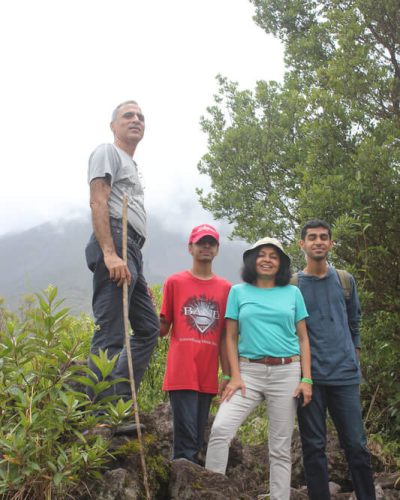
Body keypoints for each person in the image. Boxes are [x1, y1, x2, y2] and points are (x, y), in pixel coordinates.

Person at [205, 237, 312, 500]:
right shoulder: (238, 292)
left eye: (273, 256)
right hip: (248, 373)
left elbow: (303, 338)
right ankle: (212, 492)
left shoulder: (293, 293)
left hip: (286, 372)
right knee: (220, 430)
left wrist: (306, 378)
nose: (266, 259)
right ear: (253, 260)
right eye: (261, 254)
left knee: (279, 447)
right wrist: (234, 376)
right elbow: (230, 337)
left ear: (281, 264)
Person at [296, 219, 376, 500]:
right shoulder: (293, 285)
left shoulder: (345, 280)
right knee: (313, 447)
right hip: (310, 380)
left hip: (344, 377)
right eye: (312, 237)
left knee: (356, 445)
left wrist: (354, 358)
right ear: (302, 244)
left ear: (330, 243)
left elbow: (355, 322)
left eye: (324, 237)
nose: (318, 241)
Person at [85, 100, 159, 402]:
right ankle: (102, 413)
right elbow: (98, 201)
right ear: (113, 125)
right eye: (128, 115)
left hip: (131, 249)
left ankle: (120, 401)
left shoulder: (132, 165)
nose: (136, 119)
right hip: (116, 241)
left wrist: (139, 277)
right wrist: (110, 253)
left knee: (148, 329)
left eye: (141, 116)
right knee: (111, 331)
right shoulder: (107, 152)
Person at [160, 224, 231, 464]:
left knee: (198, 439)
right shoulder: (174, 282)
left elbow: (225, 337)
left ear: (217, 250)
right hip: (181, 371)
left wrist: (228, 374)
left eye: (211, 243)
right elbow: (162, 329)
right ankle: (183, 486)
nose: (206, 247)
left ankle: (187, 483)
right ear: (191, 248)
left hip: (207, 373)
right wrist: (146, 313)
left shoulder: (226, 289)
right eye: (201, 242)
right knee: (185, 441)